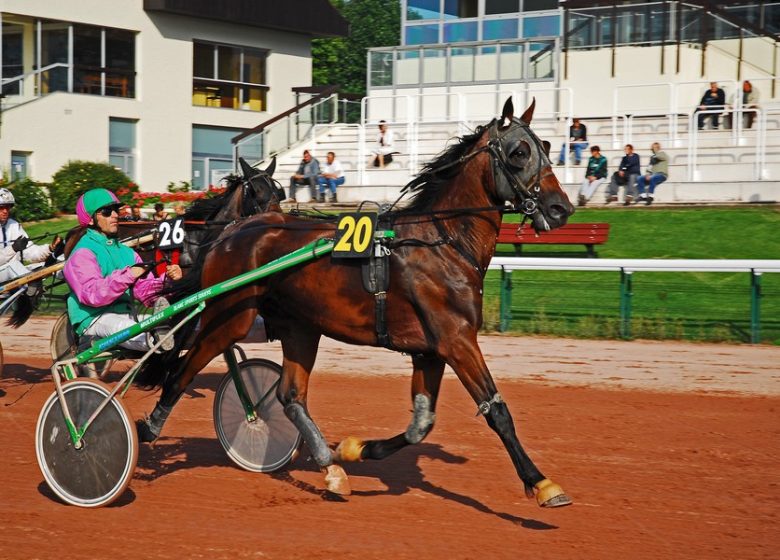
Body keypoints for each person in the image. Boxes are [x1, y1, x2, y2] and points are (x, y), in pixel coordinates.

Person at [63, 188, 183, 352]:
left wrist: (167, 280)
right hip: (94, 318)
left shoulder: (128, 253)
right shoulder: (82, 253)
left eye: (115, 210)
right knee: (126, 326)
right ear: (90, 220)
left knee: (180, 324)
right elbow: (93, 295)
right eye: (106, 212)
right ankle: (154, 338)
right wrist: (128, 275)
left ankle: (160, 334)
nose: (114, 215)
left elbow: (144, 293)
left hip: (126, 315)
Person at [0, 187, 61, 286]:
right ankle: (30, 291)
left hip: (14, 274)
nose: (5, 211)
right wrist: (13, 249)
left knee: (52, 264)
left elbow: (31, 252)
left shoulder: (14, 225)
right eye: (1, 207)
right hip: (6, 273)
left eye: (8, 207)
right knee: (15, 266)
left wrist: (50, 248)